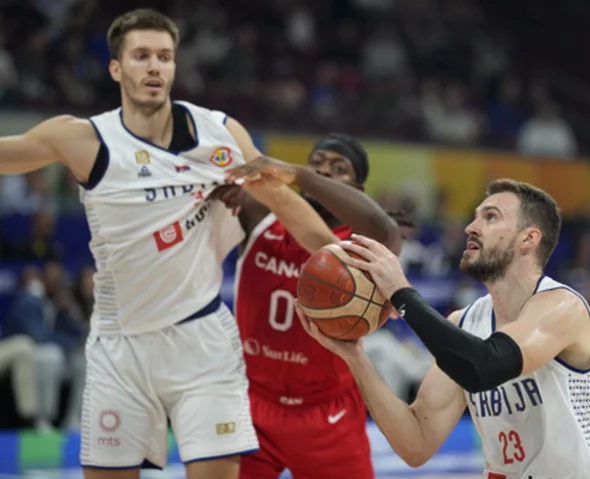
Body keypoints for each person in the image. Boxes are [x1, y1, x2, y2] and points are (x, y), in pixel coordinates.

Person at [0, 8, 338, 479]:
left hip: (201, 339)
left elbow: (284, 203)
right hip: (120, 346)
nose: (154, 67)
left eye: (164, 56)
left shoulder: (220, 133)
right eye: (141, 56)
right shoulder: (85, 139)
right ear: (117, 68)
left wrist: (339, 256)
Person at [297, 179, 590, 478]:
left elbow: (485, 365)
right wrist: (357, 358)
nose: (470, 227)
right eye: (475, 216)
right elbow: (416, 443)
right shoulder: (466, 323)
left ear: (529, 238)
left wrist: (401, 292)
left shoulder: (562, 307)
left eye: (490, 217)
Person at [213, 133, 402, 479]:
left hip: (326, 413)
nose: (324, 172)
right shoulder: (260, 216)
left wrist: (301, 174)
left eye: (338, 168)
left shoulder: (366, 246)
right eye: (316, 164)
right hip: (251, 402)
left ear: (357, 189)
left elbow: (385, 227)